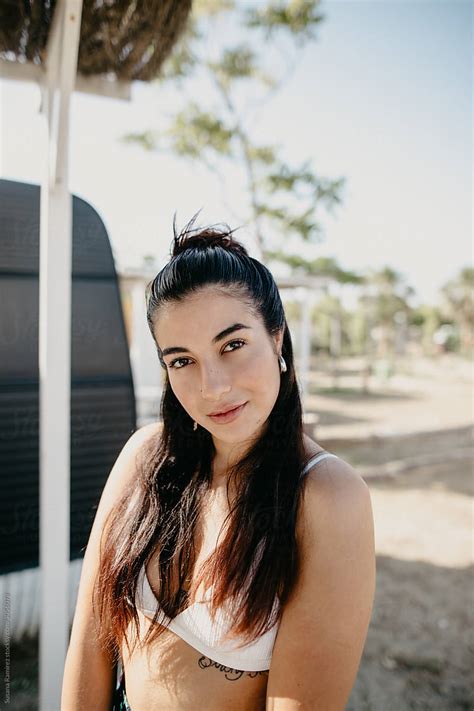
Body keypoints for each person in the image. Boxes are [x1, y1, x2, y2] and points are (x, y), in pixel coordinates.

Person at [61, 218, 375, 711]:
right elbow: (90, 639)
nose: (213, 387)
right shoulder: (145, 459)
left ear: (276, 338)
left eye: (232, 345)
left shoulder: (326, 495)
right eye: (182, 360)